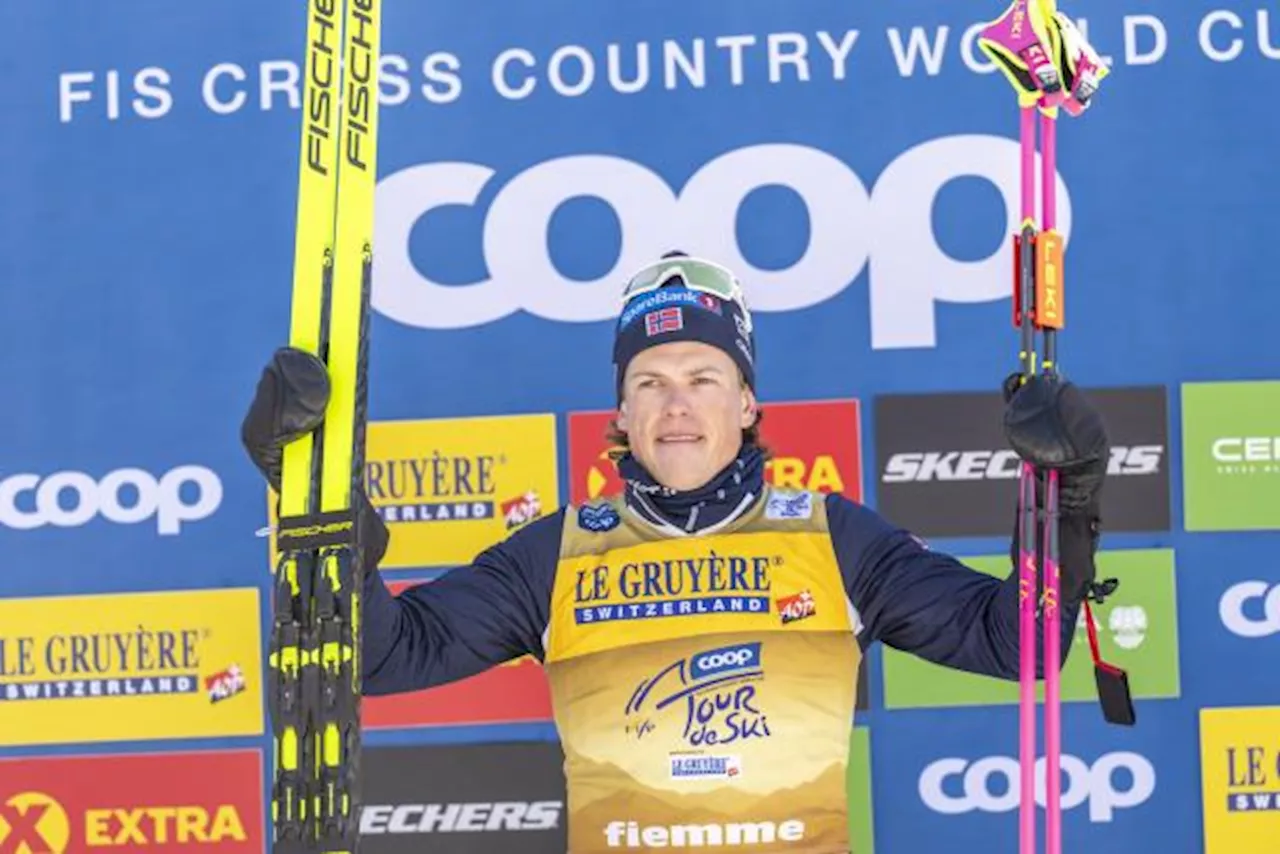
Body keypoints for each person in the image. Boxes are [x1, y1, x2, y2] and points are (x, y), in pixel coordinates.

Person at [242, 252, 1111, 853]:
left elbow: (1018, 644)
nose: (676, 405)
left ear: (747, 403)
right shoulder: (558, 556)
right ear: (619, 415)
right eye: (649, 383)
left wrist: (1068, 495)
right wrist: (321, 510)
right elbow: (382, 656)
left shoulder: (835, 539)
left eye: (703, 378)